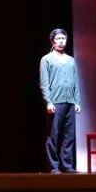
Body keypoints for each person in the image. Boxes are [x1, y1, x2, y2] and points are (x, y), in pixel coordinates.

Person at [39, 28, 80, 174]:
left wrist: (77, 101)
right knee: (53, 135)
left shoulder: (71, 60)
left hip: (70, 102)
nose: (61, 41)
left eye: (63, 38)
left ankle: (67, 166)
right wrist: (48, 102)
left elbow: (75, 83)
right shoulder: (46, 59)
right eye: (58, 39)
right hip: (55, 102)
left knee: (69, 135)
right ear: (52, 41)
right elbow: (44, 83)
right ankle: (53, 166)